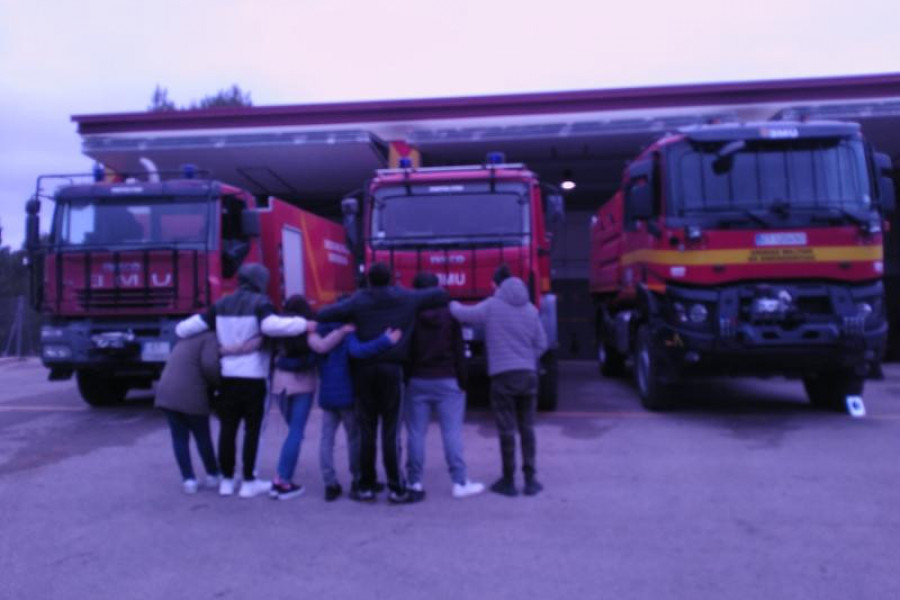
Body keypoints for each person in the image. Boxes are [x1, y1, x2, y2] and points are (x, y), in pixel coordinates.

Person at [175, 263, 314, 499]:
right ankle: (249, 481)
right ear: (260, 281)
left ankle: (227, 481)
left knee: (227, 429)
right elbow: (270, 326)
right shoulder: (261, 303)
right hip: (254, 377)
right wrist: (304, 324)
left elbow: (182, 329)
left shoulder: (220, 305)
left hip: (226, 377)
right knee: (253, 431)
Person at [316, 262, 449, 503]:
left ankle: (365, 487)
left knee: (367, 430)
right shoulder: (406, 298)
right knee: (391, 432)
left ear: (368, 280)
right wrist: (408, 293)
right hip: (392, 370)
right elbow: (441, 294)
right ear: (390, 279)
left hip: (363, 373)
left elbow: (324, 314)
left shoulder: (358, 300)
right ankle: (397, 488)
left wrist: (348, 318)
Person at [449, 265, 548, 497]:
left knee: (507, 429)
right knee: (527, 428)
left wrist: (450, 301)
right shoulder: (531, 310)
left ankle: (508, 481)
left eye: (493, 283)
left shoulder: (492, 306)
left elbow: (463, 314)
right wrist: (525, 359)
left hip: (503, 377)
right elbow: (542, 344)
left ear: (498, 285)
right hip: (529, 375)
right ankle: (531, 480)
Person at [405, 272, 484, 501]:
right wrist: (463, 380)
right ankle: (459, 482)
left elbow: (406, 350)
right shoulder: (450, 314)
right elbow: (459, 351)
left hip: (417, 380)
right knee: (451, 432)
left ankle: (414, 481)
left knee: (416, 433)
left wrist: (407, 376)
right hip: (447, 379)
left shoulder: (411, 314)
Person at [268, 295, 355, 500]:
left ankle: (282, 477)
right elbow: (321, 347)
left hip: (280, 385)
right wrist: (341, 331)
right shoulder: (307, 328)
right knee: (296, 434)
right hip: (302, 384)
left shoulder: (279, 329)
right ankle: (282, 480)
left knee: (294, 432)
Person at [316, 321, 401, 501]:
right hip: (347, 394)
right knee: (354, 439)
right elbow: (359, 351)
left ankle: (330, 484)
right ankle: (358, 480)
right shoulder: (348, 333)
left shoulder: (321, 334)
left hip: (326, 395)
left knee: (326, 440)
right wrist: (384, 340)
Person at [154, 331, 221, 494]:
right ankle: (213, 474)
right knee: (202, 436)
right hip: (191, 393)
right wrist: (220, 383)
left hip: (166, 393)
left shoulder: (185, 338)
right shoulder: (209, 337)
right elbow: (210, 365)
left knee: (179, 438)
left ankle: (188, 480)